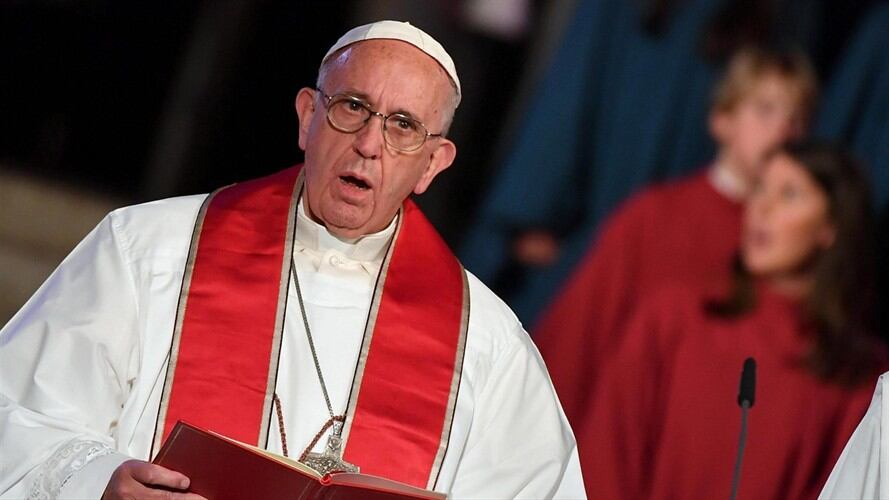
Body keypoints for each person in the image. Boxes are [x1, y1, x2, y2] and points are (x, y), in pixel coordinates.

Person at [0, 21, 585, 499]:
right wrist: (100, 481)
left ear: (433, 163)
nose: (370, 143)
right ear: (308, 117)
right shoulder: (147, 249)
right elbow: (15, 414)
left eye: (404, 126)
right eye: (353, 107)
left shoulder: (487, 344)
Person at [578, 141, 886, 499]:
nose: (761, 208)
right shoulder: (673, 319)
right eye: (759, 188)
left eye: (789, 194)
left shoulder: (861, 375)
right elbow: (606, 453)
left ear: (830, 227)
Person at [534, 46, 818, 426]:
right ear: (723, 119)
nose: (783, 130)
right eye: (766, 109)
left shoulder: (790, 243)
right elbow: (577, 341)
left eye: (797, 119)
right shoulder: (653, 217)